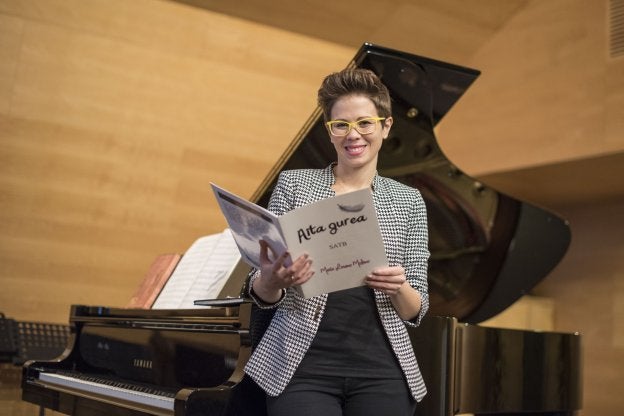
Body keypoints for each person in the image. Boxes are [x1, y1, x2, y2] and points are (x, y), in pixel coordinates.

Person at [244, 68, 429, 416]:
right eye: (340, 125)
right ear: (329, 132)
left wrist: (398, 287)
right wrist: (271, 280)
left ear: (386, 127)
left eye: (365, 123)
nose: (353, 134)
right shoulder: (294, 185)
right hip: (300, 366)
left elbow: (416, 309)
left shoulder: (409, 201)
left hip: (382, 370)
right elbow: (262, 292)